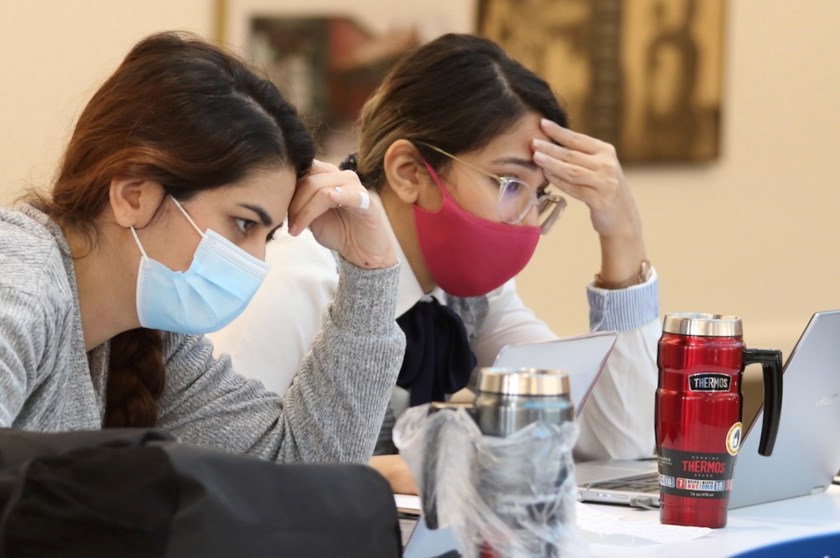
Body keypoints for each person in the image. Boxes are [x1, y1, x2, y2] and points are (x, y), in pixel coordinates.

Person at [0, 31, 405, 465]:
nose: (255, 261)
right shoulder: (4, 280)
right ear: (134, 194)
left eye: (266, 238)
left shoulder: (146, 335)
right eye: (243, 224)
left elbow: (300, 472)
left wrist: (371, 270)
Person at [210, 33, 660, 491]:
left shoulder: (467, 294)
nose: (526, 219)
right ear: (408, 172)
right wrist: (377, 473)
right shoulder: (299, 273)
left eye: (539, 195)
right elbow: (214, 472)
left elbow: (618, 440)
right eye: (509, 183)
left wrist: (622, 231)